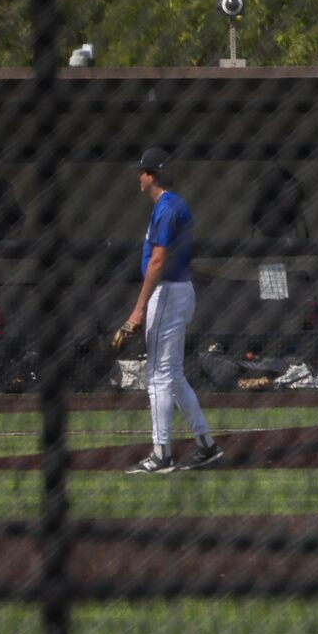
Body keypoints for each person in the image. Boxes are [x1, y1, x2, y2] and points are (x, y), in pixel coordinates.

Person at [111, 147, 219, 474]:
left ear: (151, 175)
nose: (138, 177)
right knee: (173, 376)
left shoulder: (169, 207)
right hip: (175, 292)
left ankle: (161, 455)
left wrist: (136, 313)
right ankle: (206, 445)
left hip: (168, 293)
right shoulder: (168, 206)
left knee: (157, 378)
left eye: (142, 171)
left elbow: (158, 261)